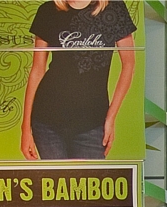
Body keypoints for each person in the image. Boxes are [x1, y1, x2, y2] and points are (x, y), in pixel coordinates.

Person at [21, 0, 136, 160]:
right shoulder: (48, 11)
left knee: (89, 182)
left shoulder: (114, 9)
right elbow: (37, 70)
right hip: (47, 121)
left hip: (93, 123)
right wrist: (25, 129)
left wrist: (110, 118)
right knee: (57, 183)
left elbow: (129, 65)